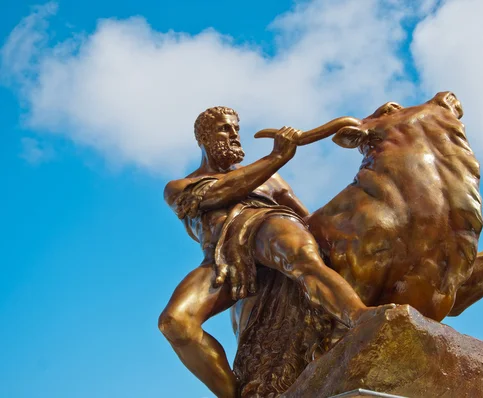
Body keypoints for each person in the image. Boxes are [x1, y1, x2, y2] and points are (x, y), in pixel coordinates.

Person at [158, 106, 391, 398]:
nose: (233, 135)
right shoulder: (181, 186)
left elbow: (311, 222)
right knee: (175, 323)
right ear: (203, 137)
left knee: (301, 258)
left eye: (235, 129)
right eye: (224, 129)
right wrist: (276, 157)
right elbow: (219, 193)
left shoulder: (273, 181)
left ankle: (361, 318)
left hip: (270, 223)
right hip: (224, 258)